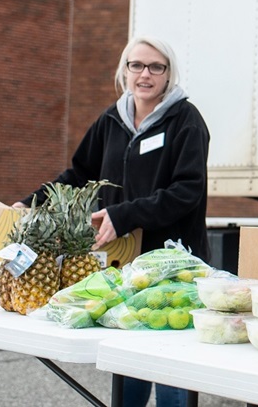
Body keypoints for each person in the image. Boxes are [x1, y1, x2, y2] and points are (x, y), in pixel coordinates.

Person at [18, 36, 209, 407]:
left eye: (156, 67)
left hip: (173, 267)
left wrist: (125, 215)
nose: (145, 74)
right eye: (136, 65)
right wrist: (29, 204)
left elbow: (188, 191)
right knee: (128, 358)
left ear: (169, 74)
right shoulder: (110, 120)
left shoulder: (186, 120)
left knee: (170, 362)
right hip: (125, 268)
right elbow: (78, 174)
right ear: (124, 71)